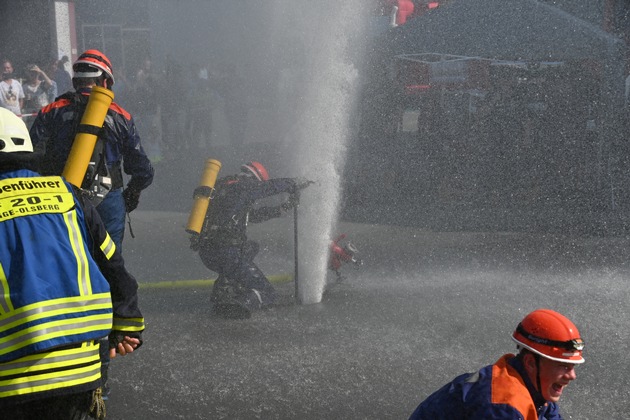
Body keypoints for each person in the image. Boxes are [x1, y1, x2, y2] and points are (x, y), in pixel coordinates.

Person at [0, 108, 144, 419]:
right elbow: (113, 265)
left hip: (12, 378)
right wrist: (127, 323)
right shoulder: (67, 194)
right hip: (82, 370)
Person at [30, 49, 155, 251]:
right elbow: (143, 168)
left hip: (59, 200)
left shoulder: (50, 112)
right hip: (108, 201)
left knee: (68, 261)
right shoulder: (120, 116)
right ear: (104, 81)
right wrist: (133, 193)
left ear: (75, 81)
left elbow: (31, 160)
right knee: (110, 266)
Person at [409, 309, 584, 419]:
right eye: (563, 366)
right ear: (531, 363)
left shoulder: (534, 387)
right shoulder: (504, 405)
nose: (572, 376)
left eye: (572, 367)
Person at [192, 161, 311, 319]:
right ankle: (239, 306)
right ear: (255, 178)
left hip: (207, 252)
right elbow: (269, 187)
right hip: (227, 254)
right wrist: (293, 183)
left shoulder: (223, 187)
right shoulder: (245, 186)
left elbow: (251, 216)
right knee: (267, 292)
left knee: (251, 247)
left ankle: (223, 288)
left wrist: (281, 209)